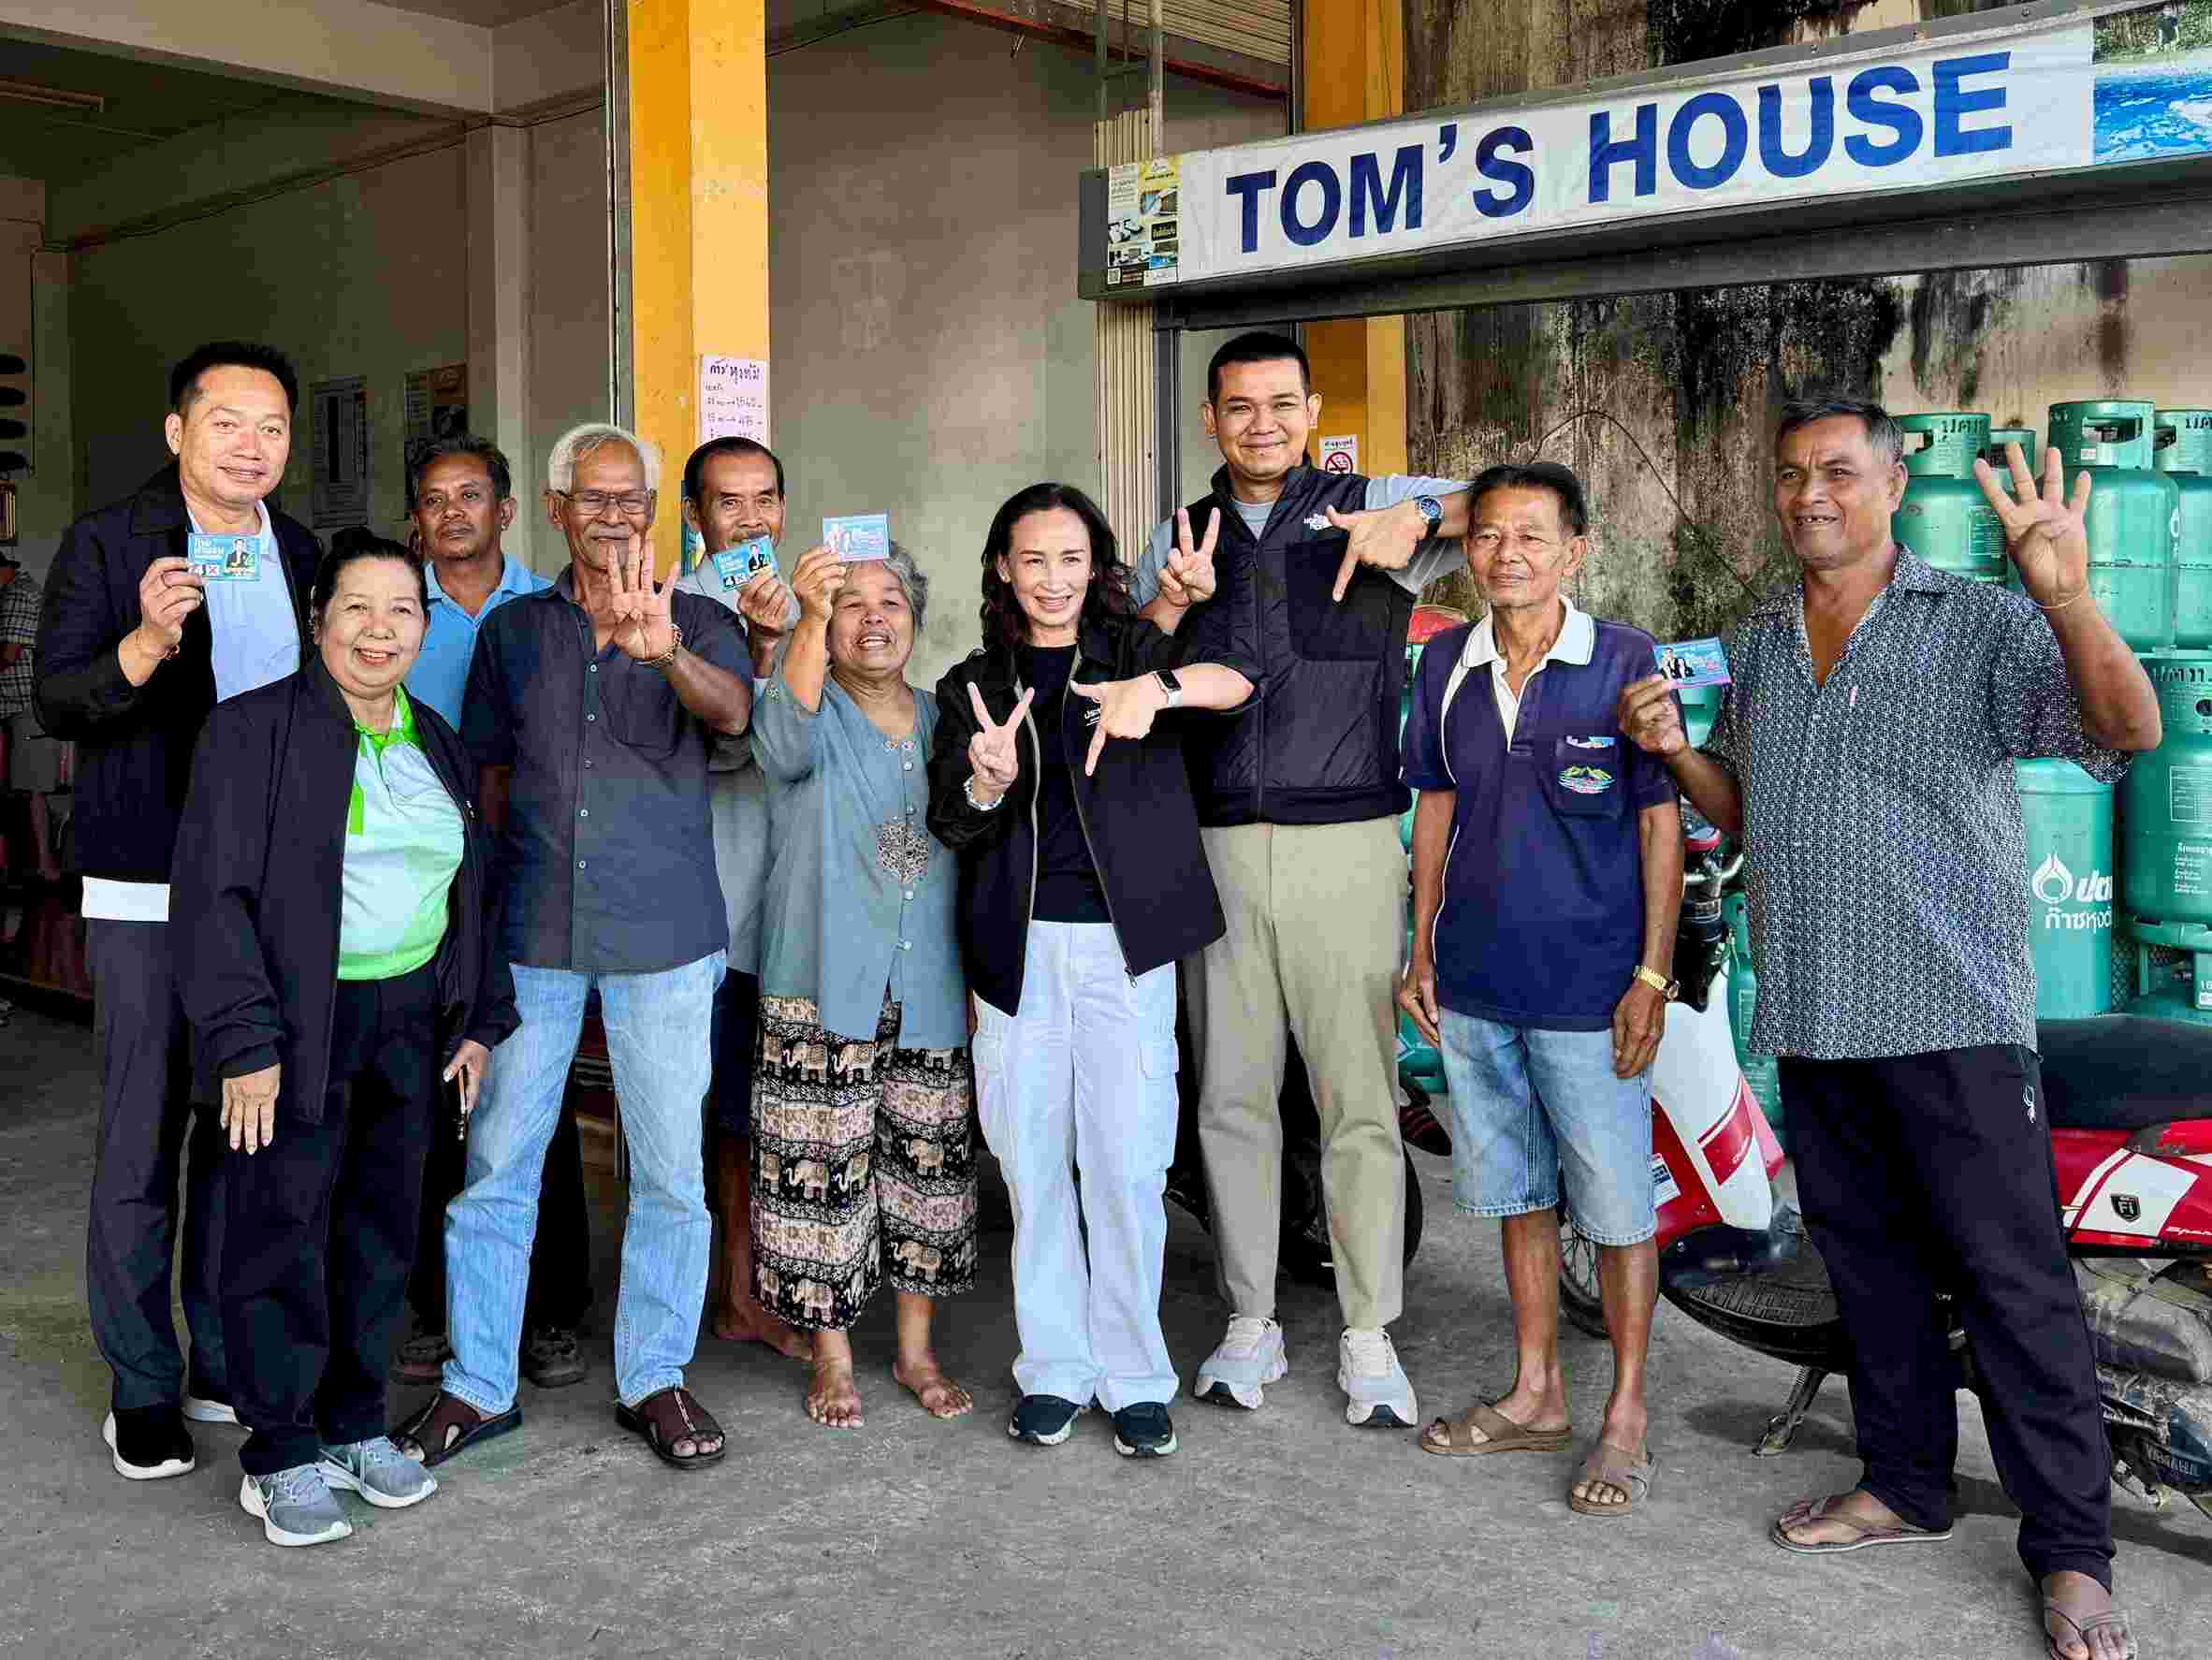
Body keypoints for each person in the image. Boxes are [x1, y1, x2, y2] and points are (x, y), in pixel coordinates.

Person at [1619, 398, 2160, 1660]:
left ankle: (2073, 1550)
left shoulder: (1982, 620)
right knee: (1870, 1274)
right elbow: (1752, 810)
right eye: (1792, 472)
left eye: (1839, 470)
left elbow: (2126, 734)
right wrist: (1679, 754)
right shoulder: (1757, 642)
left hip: (1952, 1010)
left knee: (2013, 1286)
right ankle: (1907, 1481)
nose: (1811, 492)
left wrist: (2070, 597)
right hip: (1817, 1011)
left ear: (1895, 482)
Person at [393, 422, 752, 1474]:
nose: (614, 515)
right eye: (593, 497)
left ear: (654, 510)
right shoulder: (516, 634)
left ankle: (654, 1376)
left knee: (670, 1173)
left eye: (631, 497)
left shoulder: (701, 618)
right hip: (534, 932)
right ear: (554, 511)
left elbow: (735, 716)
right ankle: (478, 1384)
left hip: (664, 934)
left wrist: (665, 652)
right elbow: (489, 781)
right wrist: (473, 922)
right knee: (498, 1165)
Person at [1132, 328, 1471, 1427]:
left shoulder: (1371, 503)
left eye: (1282, 404)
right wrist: (1168, 606)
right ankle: (1251, 1319)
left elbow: (1516, 501)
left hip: (1349, 839)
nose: (1262, 424)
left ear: (1313, 410)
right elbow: (1130, 672)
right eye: (1239, 407)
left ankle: (1370, 1331)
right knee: (1230, 1096)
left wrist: (1423, 515)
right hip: (1220, 841)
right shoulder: (1179, 536)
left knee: (1356, 1096)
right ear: (1211, 420)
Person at [171, 530, 515, 1547]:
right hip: (293, 1025)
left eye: (401, 610)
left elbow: (473, 888)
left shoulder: (433, 737)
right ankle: (280, 1449)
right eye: (357, 607)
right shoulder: (252, 733)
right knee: (280, 1229)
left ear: (423, 627)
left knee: (378, 1232)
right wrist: (244, 1041)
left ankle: (354, 1423)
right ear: (317, 617)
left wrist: (477, 1018)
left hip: (407, 1023)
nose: (380, 629)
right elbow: (213, 898)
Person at [33, 341, 317, 1479]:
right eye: (228, 423)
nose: (252, 446)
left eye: (273, 427)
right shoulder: (111, 542)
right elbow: (59, 698)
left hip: (268, 893)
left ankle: (219, 1357)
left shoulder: (299, 550)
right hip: (148, 883)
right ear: (177, 433)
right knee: (142, 1133)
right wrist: (147, 643)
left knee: (243, 1130)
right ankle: (142, 1381)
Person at [927, 483, 1255, 1458]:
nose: (1053, 579)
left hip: (1125, 949)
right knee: (1034, 1168)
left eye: (1070, 559)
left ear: (1096, 566)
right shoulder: (970, 685)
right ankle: (1055, 1369)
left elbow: (1237, 681)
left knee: (1126, 1164)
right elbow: (951, 820)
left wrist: (1157, 690)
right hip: (1017, 954)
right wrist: (986, 779)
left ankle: (1135, 1375)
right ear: (1003, 569)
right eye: (1033, 560)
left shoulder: (1137, 651)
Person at [1396, 463, 1681, 1515]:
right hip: (1479, 981)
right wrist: (1422, 948)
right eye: (1488, 535)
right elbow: (1435, 807)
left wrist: (1651, 974)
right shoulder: (1446, 664)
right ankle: (1537, 1393)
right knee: (1517, 1193)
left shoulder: (1625, 661)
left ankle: (1626, 1414)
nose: (1506, 554)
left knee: (1615, 1208)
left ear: (1575, 550)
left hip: (1593, 989)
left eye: (1531, 535)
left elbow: (1659, 824)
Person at [751, 538, 975, 1430]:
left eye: (891, 603)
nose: (873, 619)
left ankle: (917, 1354)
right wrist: (806, 617)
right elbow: (777, 748)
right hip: (820, 976)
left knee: (927, 1173)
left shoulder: (944, 719)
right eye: (852, 603)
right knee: (822, 1174)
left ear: (915, 619)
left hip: (930, 977)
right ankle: (833, 1355)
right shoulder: (804, 705)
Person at [394, 434, 594, 1394]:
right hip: (421, 878)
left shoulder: (554, 610)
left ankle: (551, 1310)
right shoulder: (396, 608)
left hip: (533, 876)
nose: (453, 513)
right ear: (417, 519)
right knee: (429, 1095)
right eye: (435, 500)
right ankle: (436, 1307)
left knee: (532, 1093)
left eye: (470, 495)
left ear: (507, 510)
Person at [673, 434, 808, 1360]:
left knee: (782, 1102)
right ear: (696, 516)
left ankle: (775, 1280)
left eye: (764, 499)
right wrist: (759, 651)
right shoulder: (677, 614)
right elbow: (727, 745)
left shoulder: (811, 603)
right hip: (716, 903)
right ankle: (737, 1288)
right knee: (725, 1110)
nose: (750, 520)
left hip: (796, 898)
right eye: (729, 502)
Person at [1, 550, 62, 884]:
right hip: (29, 706)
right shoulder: (25, 591)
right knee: (33, 788)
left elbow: (9, 655)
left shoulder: (17, 596)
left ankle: (44, 865)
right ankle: (41, 862)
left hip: (26, 706)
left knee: (34, 789)